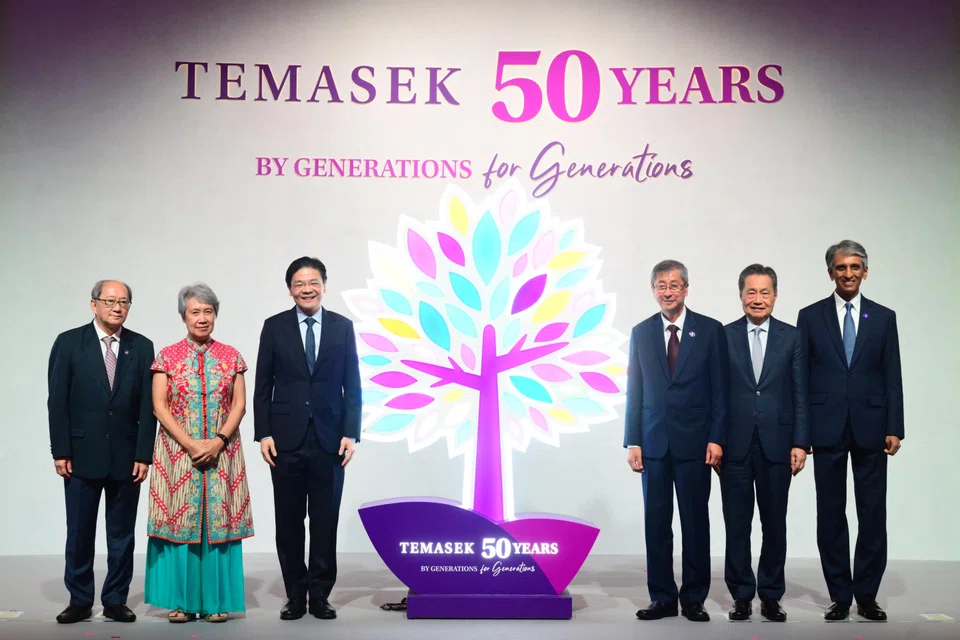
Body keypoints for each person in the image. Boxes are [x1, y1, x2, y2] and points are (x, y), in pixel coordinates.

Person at [797, 240, 903, 622]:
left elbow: (893, 376)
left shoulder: (884, 317)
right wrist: (801, 434)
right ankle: (840, 595)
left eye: (855, 266)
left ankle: (867, 596)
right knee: (830, 514)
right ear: (830, 272)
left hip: (872, 427)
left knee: (872, 514)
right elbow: (802, 380)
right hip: (825, 429)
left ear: (865, 271)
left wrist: (895, 426)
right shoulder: (810, 317)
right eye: (841, 267)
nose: (848, 273)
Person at [254, 256, 361, 620]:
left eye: (313, 282)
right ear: (290, 289)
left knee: (324, 520)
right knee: (288, 521)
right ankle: (294, 595)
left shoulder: (342, 327)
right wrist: (263, 433)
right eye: (299, 284)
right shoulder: (274, 327)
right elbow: (262, 385)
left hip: (330, 438)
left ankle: (320, 595)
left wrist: (351, 432)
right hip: (285, 439)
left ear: (324, 285)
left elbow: (353, 384)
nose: (306, 289)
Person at [623, 260, 728, 622]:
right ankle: (662, 598)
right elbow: (634, 390)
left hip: (696, 444)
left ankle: (694, 598)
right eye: (660, 285)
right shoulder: (641, 332)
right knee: (656, 522)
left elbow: (720, 391)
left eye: (674, 284)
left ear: (686, 288)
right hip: (652, 444)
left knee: (695, 522)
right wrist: (632, 440)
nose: (667, 291)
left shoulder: (710, 331)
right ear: (653, 290)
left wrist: (717, 438)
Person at [47, 280, 156, 624]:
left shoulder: (141, 346)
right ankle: (79, 599)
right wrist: (60, 450)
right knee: (80, 532)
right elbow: (57, 401)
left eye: (123, 302)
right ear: (93, 304)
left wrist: (143, 454)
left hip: (126, 456)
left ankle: (115, 600)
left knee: (122, 535)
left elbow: (147, 407)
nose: (117, 308)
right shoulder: (69, 343)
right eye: (109, 301)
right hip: (80, 454)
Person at [144, 283, 253, 623]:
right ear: (183, 316)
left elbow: (239, 405)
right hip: (178, 454)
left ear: (215, 315)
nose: (202, 318)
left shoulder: (231, 355)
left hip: (223, 453)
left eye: (208, 311)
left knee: (217, 524)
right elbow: (160, 407)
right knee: (180, 525)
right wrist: (191, 444)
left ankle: (216, 601)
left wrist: (218, 440)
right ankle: (179, 602)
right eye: (195, 312)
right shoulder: (166, 356)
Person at [720, 264, 809, 622]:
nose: (758, 299)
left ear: (775, 295)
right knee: (737, 525)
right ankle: (741, 595)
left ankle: (771, 595)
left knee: (775, 523)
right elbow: (717, 395)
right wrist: (715, 440)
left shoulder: (792, 337)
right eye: (751, 292)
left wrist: (801, 442)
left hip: (778, 443)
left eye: (765, 292)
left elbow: (801, 392)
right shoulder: (723, 336)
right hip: (734, 446)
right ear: (741, 295)